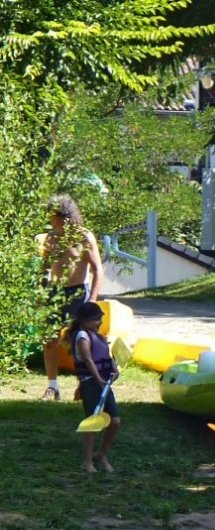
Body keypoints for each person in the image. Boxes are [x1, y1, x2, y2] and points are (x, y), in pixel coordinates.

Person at [40, 195, 104, 401]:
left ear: (65, 216)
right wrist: (41, 292)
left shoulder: (84, 237)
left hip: (78, 293)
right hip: (54, 292)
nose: (52, 220)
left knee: (81, 342)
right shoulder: (51, 237)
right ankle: (53, 387)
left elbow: (97, 270)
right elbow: (44, 268)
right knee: (49, 340)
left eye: (54, 216)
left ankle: (83, 386)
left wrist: (92, 299)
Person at [69, 301, 120, 473]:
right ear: (84, 321)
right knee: (92, 422)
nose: (99, 322)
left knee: (115, 421)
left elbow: (106, 355)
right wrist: (98, 379)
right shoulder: (82, 336)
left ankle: (101, 454)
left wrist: (114, 370)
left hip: (104, 383)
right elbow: (88, 359)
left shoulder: (98, 336)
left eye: (100, 319)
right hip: (91, 383)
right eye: (95, 319)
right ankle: (87, 461)